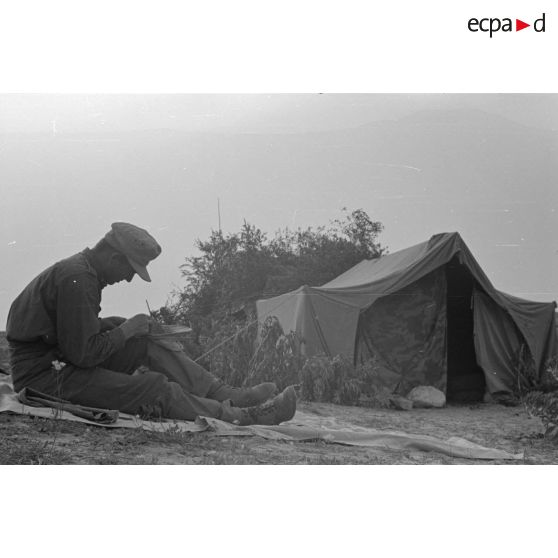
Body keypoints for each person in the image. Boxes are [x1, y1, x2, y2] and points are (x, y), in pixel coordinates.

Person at [6, 222, 296, 425]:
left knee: (144, 341)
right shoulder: (79, 279)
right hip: (44, 376)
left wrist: (122, 327)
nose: (129, 278)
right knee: (154, 388)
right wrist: (126, 328)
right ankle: (241, 416)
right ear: (114, 256)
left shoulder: (83, 272)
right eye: (129, 269)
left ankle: (229, 396)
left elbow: (71, 332)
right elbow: (82, 354)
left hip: (58, 361)